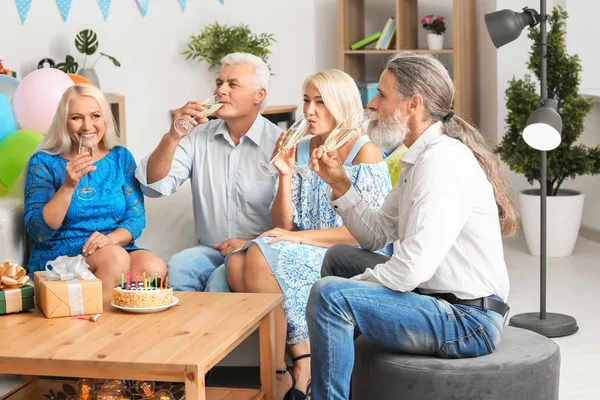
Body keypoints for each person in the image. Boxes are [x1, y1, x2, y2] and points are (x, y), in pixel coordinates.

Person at [306, 53, 520, 400]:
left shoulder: (441, 163)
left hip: (467, 321)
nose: (371, 104)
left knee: (330, 295)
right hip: (436, 300)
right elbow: (375, 235)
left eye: (382, 95)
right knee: (340, 259)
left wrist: (349, 289)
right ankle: (357, 382)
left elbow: (410, 271)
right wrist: (340, 183)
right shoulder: (416, 159)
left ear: (413, 104)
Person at [226, 69, 393, 400]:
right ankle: (281, 371)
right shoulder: (301, 149)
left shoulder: (365, 151)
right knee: (235, 264)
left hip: (351, 253)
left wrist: (299, 238)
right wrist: (285, 175)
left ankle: (296, 366)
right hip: (306, 247)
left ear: (341, 105)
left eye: (320, 102)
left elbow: (369, 234)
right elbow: (285, 225)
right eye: (306, 101)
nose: (308, 111)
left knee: (257, 253)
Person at [135, 52, 282, 293]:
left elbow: (293, 223)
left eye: (233, 84)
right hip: (210, 250)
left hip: (258, 252)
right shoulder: (196, 136)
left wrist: (252, 243)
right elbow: (152, 186)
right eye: (219, 83)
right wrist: (173, 135)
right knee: (179, 266)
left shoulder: (279, 144)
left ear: (259, 95)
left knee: (219, 283)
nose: (221, 90)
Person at [24, 84, 166, 288]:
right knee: (115, 259)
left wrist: (111, 239)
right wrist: (68, 186)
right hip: (61, 252)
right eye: (76, 118)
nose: (87, 126)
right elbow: (38, 230)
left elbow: (135, 218)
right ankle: (95, 318)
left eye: (95, 116)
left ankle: (122, 317)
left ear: (105, 119)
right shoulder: (43, 162)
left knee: (153, 267)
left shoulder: (120, 157)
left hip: (111, 245)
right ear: (64, 123)